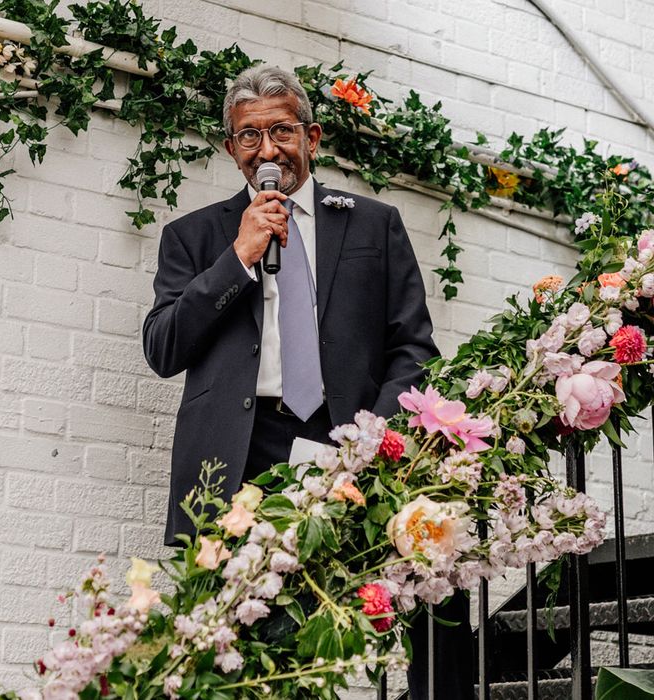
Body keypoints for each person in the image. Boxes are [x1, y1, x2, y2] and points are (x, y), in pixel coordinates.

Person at [142, 64, 473, 699]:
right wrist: (237, 257)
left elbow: (412, 347)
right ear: (231, 147)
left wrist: (368, 443)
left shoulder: (374, 224)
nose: (267, 150)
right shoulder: (194, 236)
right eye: (249, 136)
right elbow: (163, 348)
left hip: (346, 443)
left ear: (312, 137)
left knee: (393, 608)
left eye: (282, 131)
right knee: (241, 650)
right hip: (237, 457)